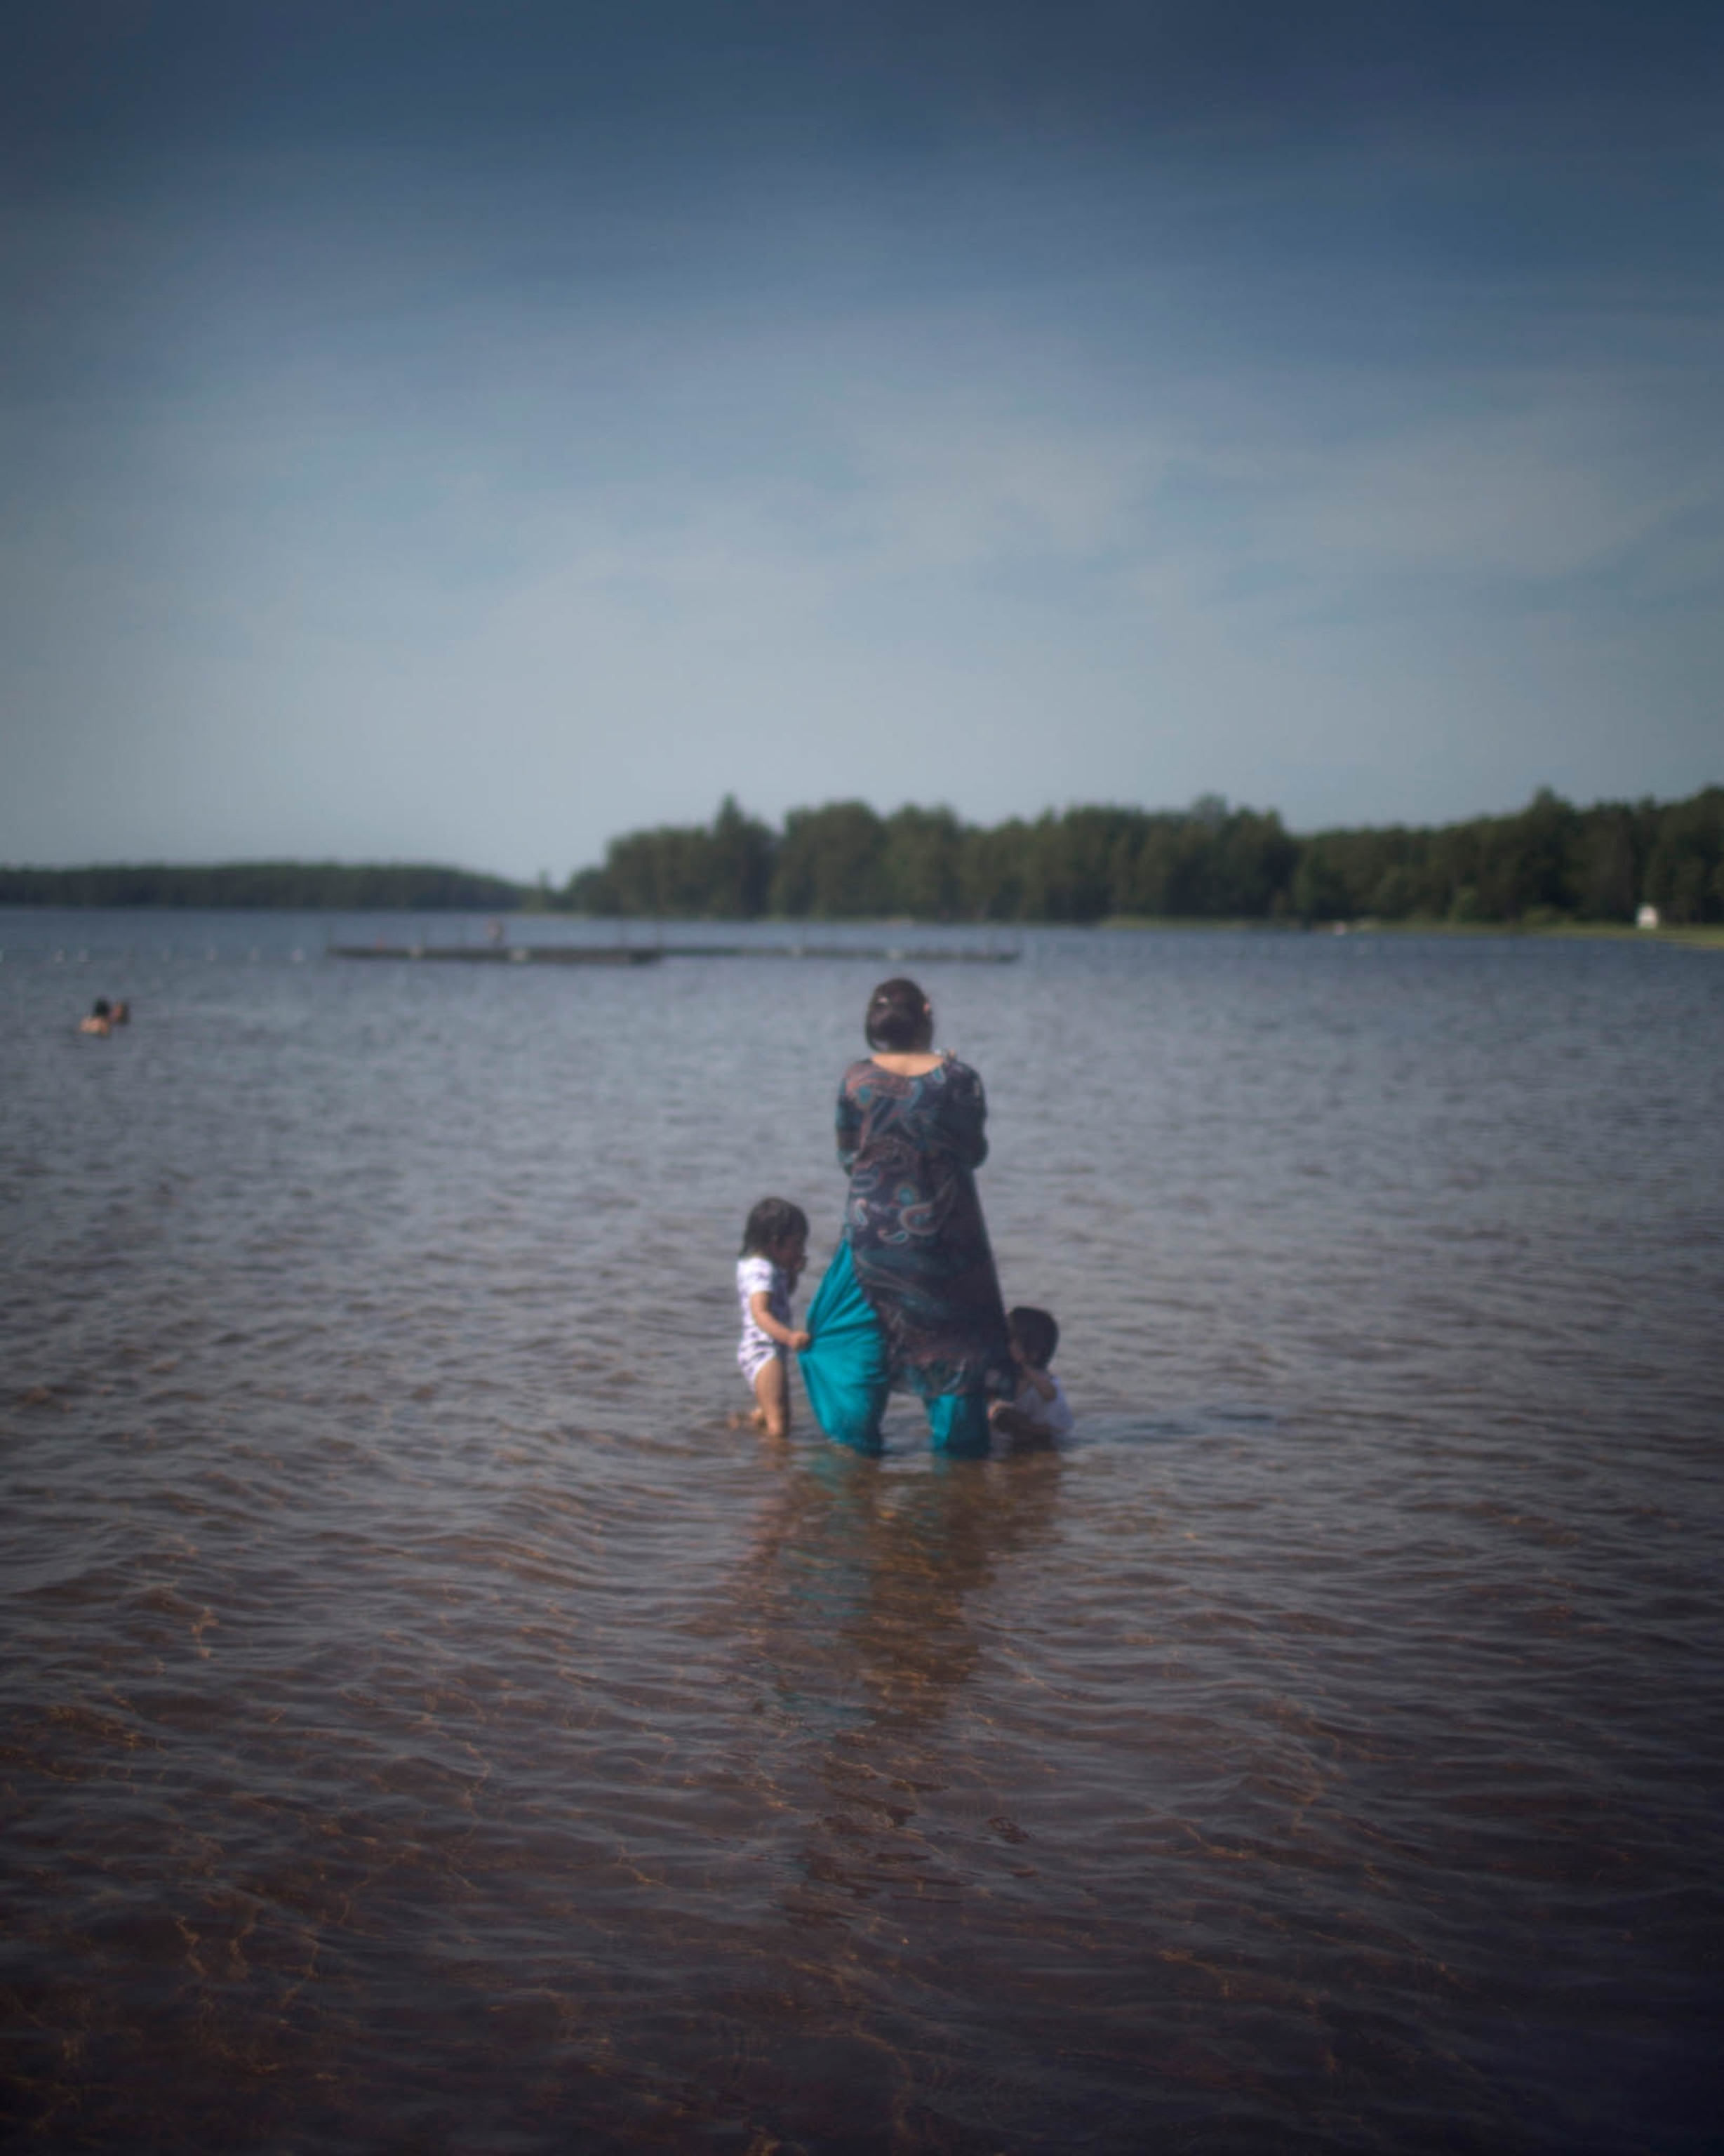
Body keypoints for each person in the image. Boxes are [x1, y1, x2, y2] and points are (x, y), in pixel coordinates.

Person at [799, 978, 1013, 1453]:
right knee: (952, 1342)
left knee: (862, 1335)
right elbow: (973, 1153)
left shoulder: (855, 1079)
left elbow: (847, 1159)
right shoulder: (959, 1079)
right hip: (945, 1230)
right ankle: (959, 1462)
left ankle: (854, 1448)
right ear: (927, 1013)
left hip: (870, 1232)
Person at [734, 1197, 811, 1439]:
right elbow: (761, 1313)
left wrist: (792, 1273)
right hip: (763, 1351)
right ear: (774, 1243)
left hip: (765, 1349)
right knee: (780, 1425)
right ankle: (774, 1469)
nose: (801, 1251)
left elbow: (783, 1294)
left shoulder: (763, 1265)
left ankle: (739, 1427)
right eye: (797, 1245)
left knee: (769, 1412)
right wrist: (789, 1337)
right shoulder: (761, 1270)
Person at [989, 1306, 1074, 1440]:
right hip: (1021, 1433)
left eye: (1009, 1339)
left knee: (1009, 1418)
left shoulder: (1043, 1382)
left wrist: (1023, 1365)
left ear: (1033, 1354)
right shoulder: (1000, 1374)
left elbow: (1050, 1395)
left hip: (1052, 1437)